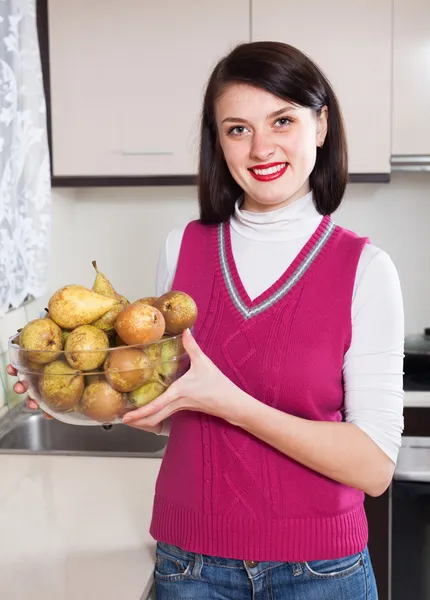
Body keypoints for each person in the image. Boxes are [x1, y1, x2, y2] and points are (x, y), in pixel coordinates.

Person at [8, 41, 404, 599]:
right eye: (237, 129)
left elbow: (374, 468)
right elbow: (180, 408)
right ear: (218, 142)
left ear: (320, 125)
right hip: (191, 565)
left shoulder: (365, 269)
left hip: (319, 572)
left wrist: (232, 403)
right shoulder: (183, 249)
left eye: (282, 120)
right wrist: (79, 393)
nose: (261, 146)